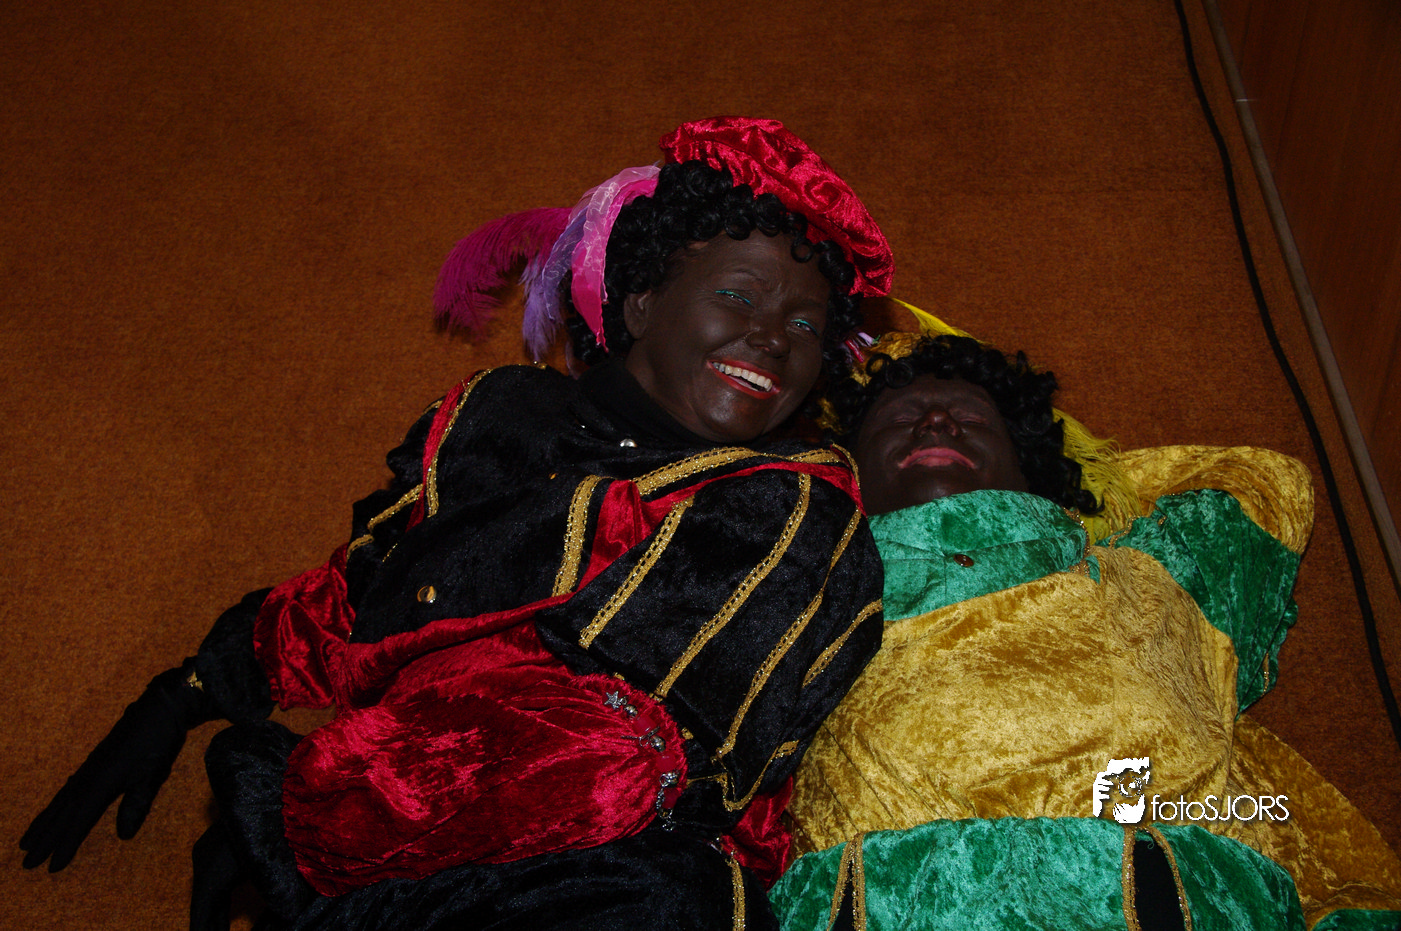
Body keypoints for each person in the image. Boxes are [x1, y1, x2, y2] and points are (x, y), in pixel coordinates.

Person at [20, 117, 895, 931]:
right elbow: (376, 588)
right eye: (739, 295)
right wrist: (194, 686)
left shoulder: (798, 509)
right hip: (376, 834)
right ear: (639, 303)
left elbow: (614, 751)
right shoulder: (503, 415)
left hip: (601, 876)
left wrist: (295, 826)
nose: (772, 337)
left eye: (804, 323)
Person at [768, 324, 1401, 931]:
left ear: (1027, 465)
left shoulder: (1150, 576)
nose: (936, 421)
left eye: (973, 419)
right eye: (901, 418)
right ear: (847, 467)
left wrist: (1088, 492)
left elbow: (1264, 480)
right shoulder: (794, 590)